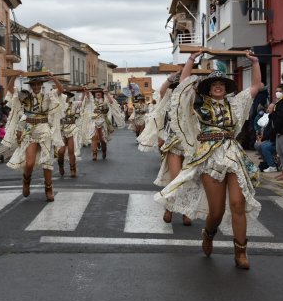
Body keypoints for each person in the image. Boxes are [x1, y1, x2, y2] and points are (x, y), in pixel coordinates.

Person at [155, 49, 263, 270]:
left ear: (226, 88)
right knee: (216, 211)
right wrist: (192, 59)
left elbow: (255, 87)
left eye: (222, 83)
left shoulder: (235, 104)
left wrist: (255, 61)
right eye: (214, 83)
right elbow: (184, 83)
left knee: (237, 203)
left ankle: (240, 252)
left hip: (232, 154)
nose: (218, 86)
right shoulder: (197, 105)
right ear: (208, 88)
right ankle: (208, 234)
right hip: (209, 156)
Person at [138, 69, 192, 226]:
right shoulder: (168, 99)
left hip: (191, 145)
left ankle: (185, 211)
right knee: (176, 178)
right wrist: (172, 77)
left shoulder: (192, 100)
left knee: (189, 179)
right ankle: (169, 208)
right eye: (176, 87)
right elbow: (162, 90)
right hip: (173, 143)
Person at [3, 72, 65, 202]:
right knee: (29, 163)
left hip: (44, 130)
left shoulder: (48, 96)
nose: (36, 86)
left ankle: (49, 189)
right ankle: (26, 182)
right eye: (34, 84)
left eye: (38, 84)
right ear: (31, 86)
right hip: (30, 131)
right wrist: (13, 75)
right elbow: (9, 89)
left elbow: (61, 90)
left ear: (42, 85)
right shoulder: (25, 96)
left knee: (47, 162)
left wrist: (53, 77)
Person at [84, 86, 125, 161]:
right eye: (96, 92)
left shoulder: (105, 100)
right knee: (94, 136)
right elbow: (87, 99)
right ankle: (94, 153)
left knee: (102, 139)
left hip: (103, 121)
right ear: (94, 94)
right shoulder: (92, 101)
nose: (98, 93)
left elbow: (112, 102)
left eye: (99, 92)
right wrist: (86, 91)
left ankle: (104, 151)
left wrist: (107, 93)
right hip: (94, 121)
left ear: (102, 93)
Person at [57, 89, 86, 178]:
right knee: (61, 152)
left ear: (69, 97)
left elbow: (82, 102)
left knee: (71, 150)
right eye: (64, 95)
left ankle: (73, 169)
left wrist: (84, 92)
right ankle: (61, 166)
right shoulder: (57, 106)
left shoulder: (74, 104)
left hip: (72, 128)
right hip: (61, 129)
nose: (65, 97)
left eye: (67, 95)